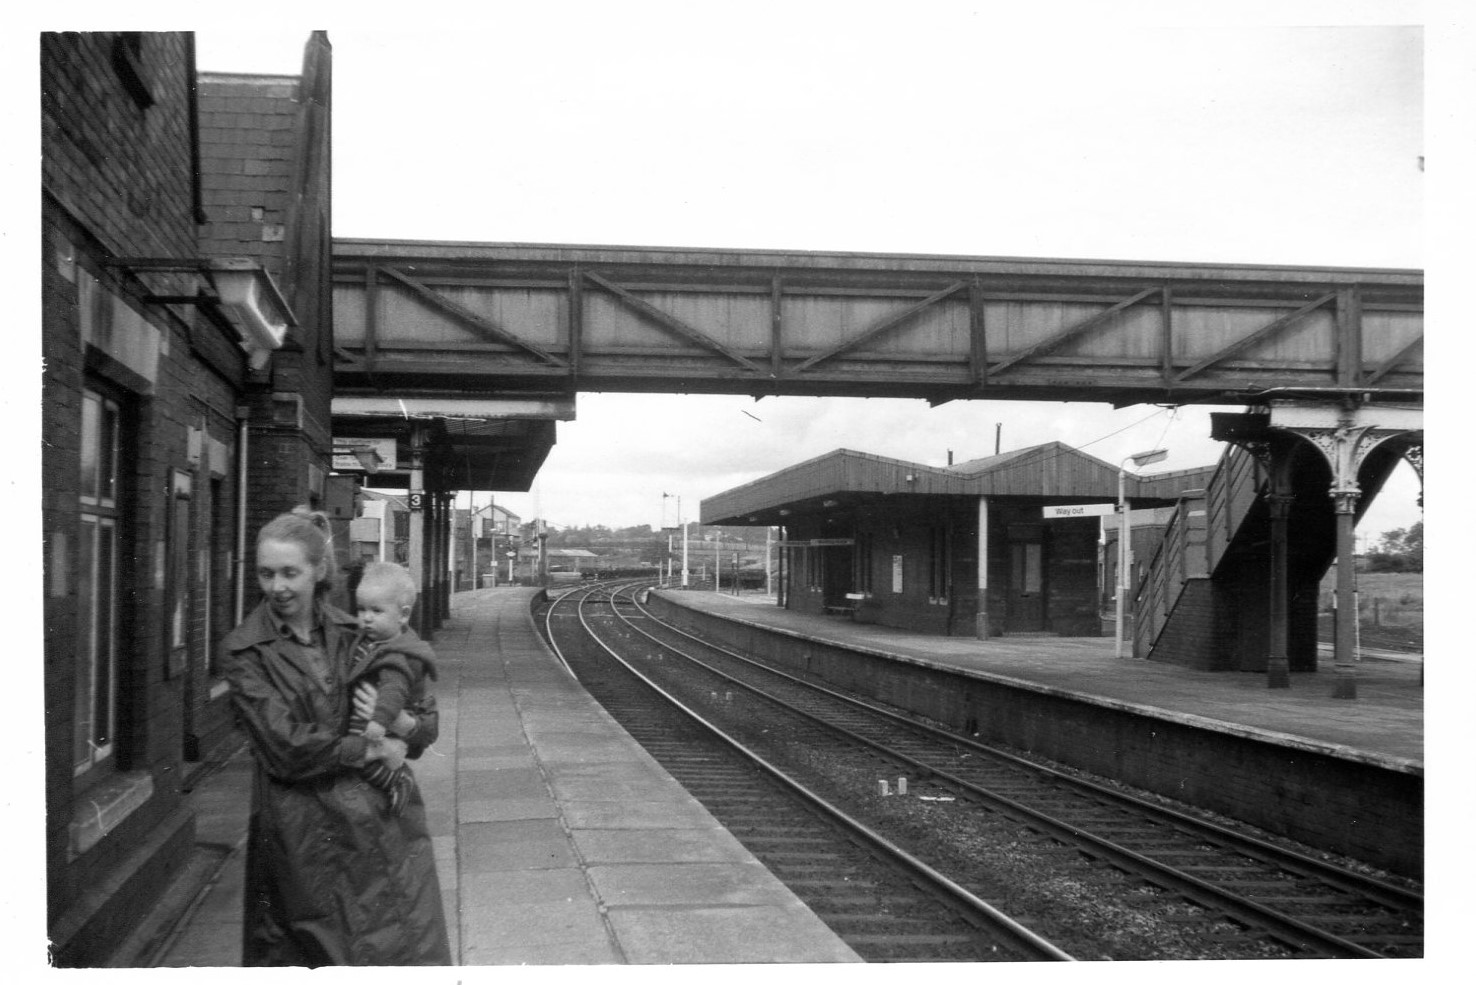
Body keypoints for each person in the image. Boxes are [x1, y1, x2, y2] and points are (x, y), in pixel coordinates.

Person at [222, 507, 451, 966]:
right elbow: (284, 746)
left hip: (384, 829)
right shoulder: (244, 651)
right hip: (303, 837)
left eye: (290, 572)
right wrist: (372, 746)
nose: (277, 587)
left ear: (317, 570)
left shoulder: (358, 632)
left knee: (401, 951)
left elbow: (423, 724)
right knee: (317, 953)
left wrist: (405, 728)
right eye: (266, 574)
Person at [349, 561, 437, 817]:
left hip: (378, 723)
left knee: (363, 762)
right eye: (361, 609)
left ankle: (396, 781)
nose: (365, 618)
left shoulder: (395, 653)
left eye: (376, 611)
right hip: (370, 719)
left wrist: (380, 721)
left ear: (404, 615)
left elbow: (393, 691)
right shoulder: (372, 640)